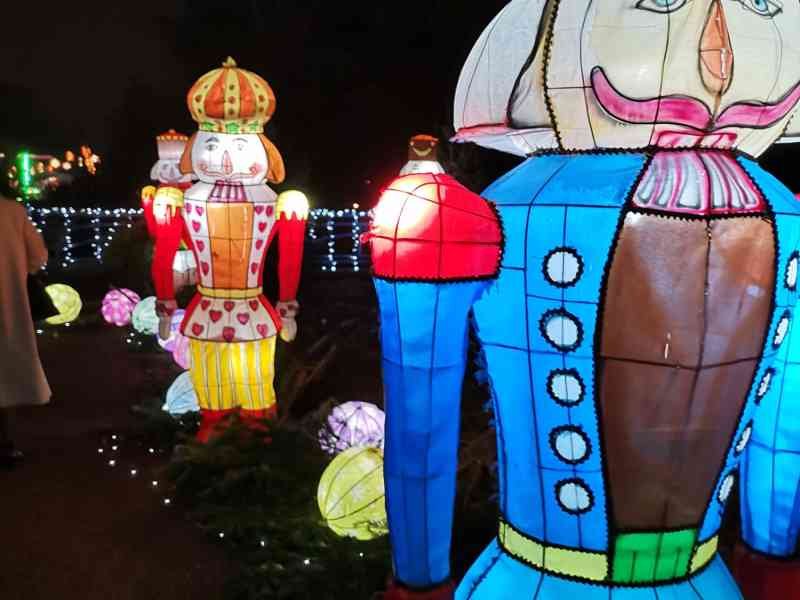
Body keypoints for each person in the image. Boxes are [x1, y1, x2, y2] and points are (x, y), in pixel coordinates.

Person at [0, 194, 50, 467]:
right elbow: (38, 255)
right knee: (6, 371)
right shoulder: (13, 211)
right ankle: (5, 442)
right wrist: (19, 270)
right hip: (8, 300)